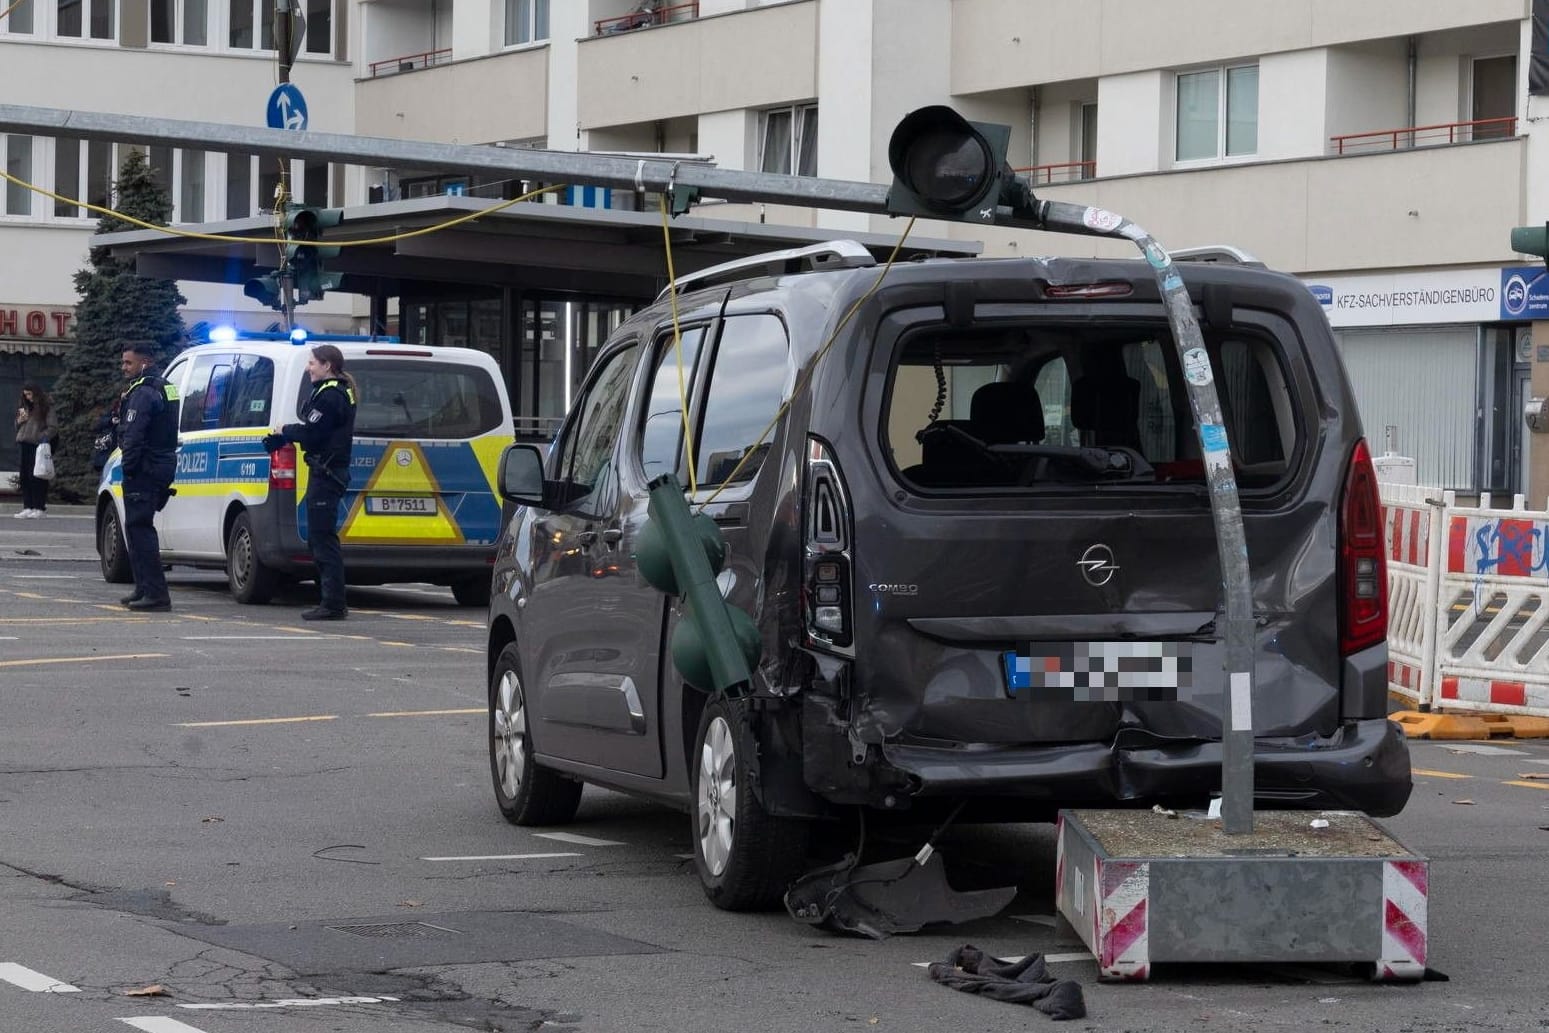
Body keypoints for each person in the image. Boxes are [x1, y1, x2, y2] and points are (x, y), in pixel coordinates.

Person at [265, 344, 357, 621]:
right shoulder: (334, 392)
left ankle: (333, 603)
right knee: (321, 538)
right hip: (327, 471)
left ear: (327, 365)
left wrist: (285, 431)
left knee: (322, 539)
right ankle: (331, 601)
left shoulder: (330, 396)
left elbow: (315, 434)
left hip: (327, 474)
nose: (309, 368)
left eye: (312, 363)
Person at [118, 343, 181, 612]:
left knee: (140, 529)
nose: (124, 368)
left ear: (144, 362)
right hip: (161, 463)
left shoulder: (143, 392)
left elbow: (133, 435)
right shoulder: (165, 386)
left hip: (146, 467)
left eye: (128, 363)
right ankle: (143, 588)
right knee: (137, 527)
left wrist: (129, 467)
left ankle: (155, 594)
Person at [13, 382, 57, 518]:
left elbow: (53, 427)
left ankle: (39, 507)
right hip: (24, 443)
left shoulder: (46, 407)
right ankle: (28, 506)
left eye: (29, 394)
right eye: (25, 394)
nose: (27, 397)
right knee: (25, 476)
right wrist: (19, 421)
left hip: (37, 445)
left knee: (37, 476)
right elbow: (17, 427)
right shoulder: (25, 407)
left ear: (36, 393)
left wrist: (41, 437)